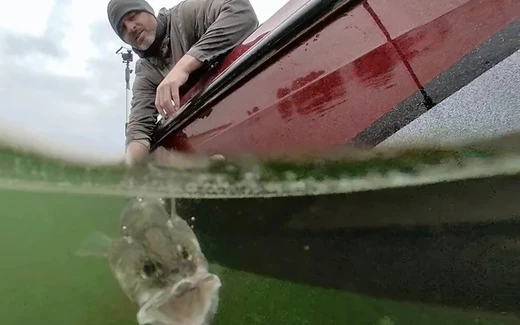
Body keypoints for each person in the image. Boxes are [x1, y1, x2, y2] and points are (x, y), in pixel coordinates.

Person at [106, 0, 259, 164]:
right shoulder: (145, 73)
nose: (131, 27)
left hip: (253, 101)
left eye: (132, 16)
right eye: (122, 28)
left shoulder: (184, 15)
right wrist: (132, 168)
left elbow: (241, 12)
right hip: (213, 137)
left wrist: (184, 67)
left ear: (148, 11)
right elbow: (139, 127)